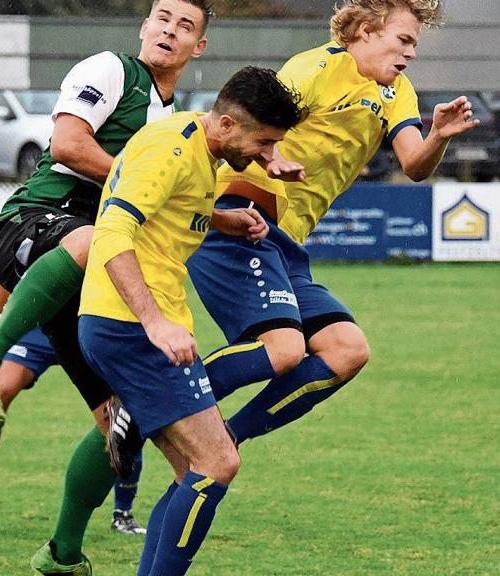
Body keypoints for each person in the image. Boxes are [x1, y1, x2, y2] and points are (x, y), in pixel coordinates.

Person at [0, 1, 213, 576]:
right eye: (161, 17)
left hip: (85, 270)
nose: (169, 29)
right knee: (93, 239)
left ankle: (63, 554)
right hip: (35, 223)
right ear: (144, 27)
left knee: (124, 421)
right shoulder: (111, 70)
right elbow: (68, 143)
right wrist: (138, 180)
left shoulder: (170, 119)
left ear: (199, 48)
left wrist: (223, 213)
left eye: (185, 25)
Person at [185, 0, 480, 447]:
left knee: (346, 350)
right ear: (364, 30)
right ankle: (162, 398)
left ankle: (227, 437)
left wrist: (437, 135)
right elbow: (255, 119)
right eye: (403, 40)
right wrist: (275, 157)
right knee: (283, 351)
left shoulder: (397, 91)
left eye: (414, 44)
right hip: (242, 215)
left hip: (284, 240)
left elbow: (414, 165)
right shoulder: (318, 66)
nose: (411, 53)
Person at [77, 66, 304, 576]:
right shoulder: (171, 150)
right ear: (226, 124)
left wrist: (224, 220)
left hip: (135, 323)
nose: (265, 155)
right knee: (218, 461)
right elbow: (112, 229)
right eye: (263, 142)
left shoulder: (198, 143)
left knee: (190, 475)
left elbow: (175, 209)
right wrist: (154, 322)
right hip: (131, 325)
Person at [0, 276, 146, 537]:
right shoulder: (27, 236)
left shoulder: (96, 234)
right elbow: (1, 274)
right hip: (37, 327)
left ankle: (123, 512)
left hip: (87, 325)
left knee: (122, 409)